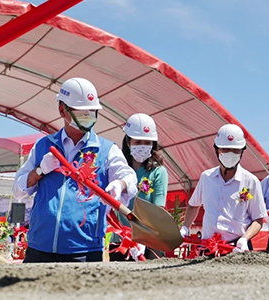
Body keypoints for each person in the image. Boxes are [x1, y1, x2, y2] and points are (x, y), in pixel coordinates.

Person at [12, 77, 138, 263]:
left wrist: (120, 185)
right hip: (39, 249)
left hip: (84, 252)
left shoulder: (106, 149)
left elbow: (128, 176)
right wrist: (40, 171)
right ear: (62, 110)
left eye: (92, 111)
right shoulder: (43, 146)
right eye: (82, 112)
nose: (88, 116)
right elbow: (18, 190)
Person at [179, 124, 267, 253]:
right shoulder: (206, 177)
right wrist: (185, 227)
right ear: (216, 150)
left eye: (235, 150)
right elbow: (193, 205)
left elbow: (258, 219)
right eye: (225, 149)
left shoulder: (251, 181)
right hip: (208, 246)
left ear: (242, 151)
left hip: (236, 248)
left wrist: (244, 239)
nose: (230, 154)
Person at [109, 113, 168, 261]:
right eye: (138, 141)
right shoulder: (119, 169)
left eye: (147, 142)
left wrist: (142, 239)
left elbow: (158, 210)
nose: (143, 146)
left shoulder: (158, 172)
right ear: (128, 142)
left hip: (150, 242)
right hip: (121, 239)